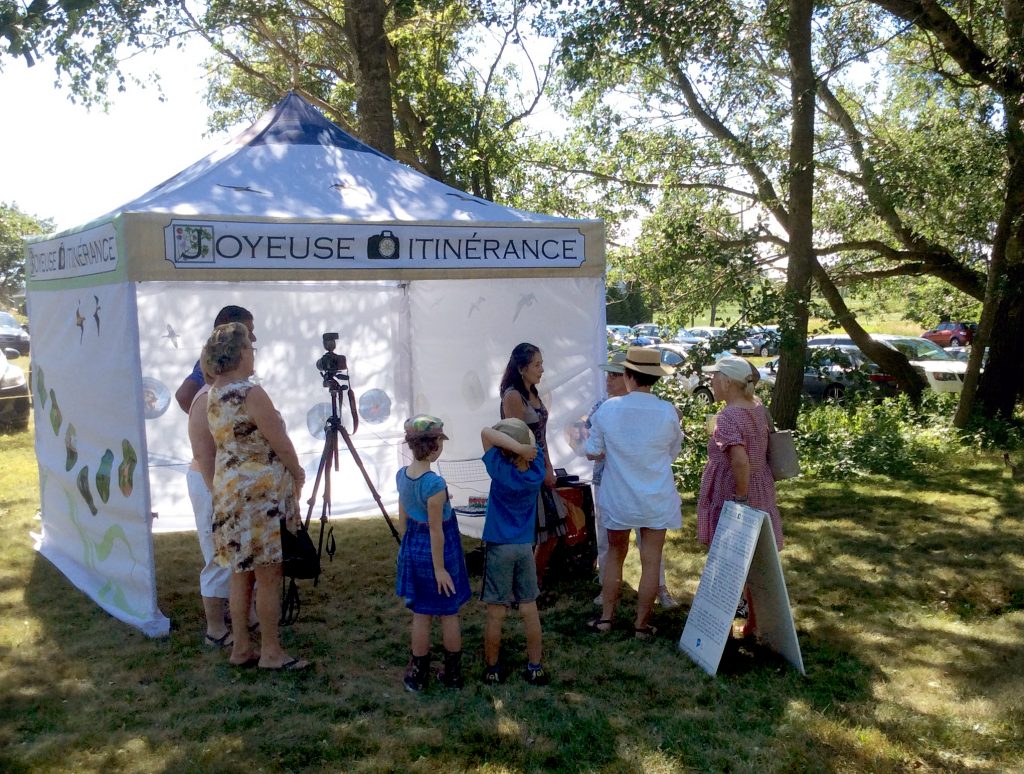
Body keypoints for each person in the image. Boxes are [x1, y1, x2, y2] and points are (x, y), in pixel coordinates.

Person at [202, 322, 309, 670]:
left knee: (240, 573)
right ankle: (272, 652)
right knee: (268, 576)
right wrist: (298, 473)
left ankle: (241, 648)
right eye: (250, 347)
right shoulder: (251, 393)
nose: (253, 354)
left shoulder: (214, 393)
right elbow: (280, 441)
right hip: (259, 496)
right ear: (241, 353)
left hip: (230, 492)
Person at [585, 347, 682, 640]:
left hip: (619, 496)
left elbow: (592, 451)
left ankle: (606, 618)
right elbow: (672, 452)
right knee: (651, 560)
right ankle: (641, 625)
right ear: (654, 378)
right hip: (656, 496)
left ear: (628, 375)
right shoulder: (668, 411)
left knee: (615, 555)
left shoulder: (608, 409)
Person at [184, 306, 257, 647]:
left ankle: (246, 614)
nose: (253, 344)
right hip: (212, 483)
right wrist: (220, 496)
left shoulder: (236, 390)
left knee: (243, 552)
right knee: (218, 554)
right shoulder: (206, 397)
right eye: (248, 340)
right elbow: (206, 456)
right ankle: (216, 628)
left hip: (231, 483)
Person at [697, 355, 782, 638]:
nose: (711, 382)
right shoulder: (757, 408)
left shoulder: (728, 416)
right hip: (761, 485)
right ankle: (754, 623)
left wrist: (740, 498)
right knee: (756, 558)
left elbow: (740, 459)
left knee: (729, 559)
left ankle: (720, 626)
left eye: (714, 377)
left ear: (726, 382)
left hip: (736, 489)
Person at [395, 414, 472, 693]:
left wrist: (406, 544)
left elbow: (403, 515)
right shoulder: (434, 485)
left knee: (421, 613)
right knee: (448, 613)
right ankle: (452, 675)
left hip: (414, 546)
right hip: (440, 552)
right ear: (435, 446)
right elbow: (436, 531)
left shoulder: (401, 476)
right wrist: (439, 569)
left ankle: (418, 676)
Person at [480, 418, 549, 686]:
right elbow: (532, 445)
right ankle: (535, 667)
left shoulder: (499, 469)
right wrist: (524, 449)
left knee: (496, 611)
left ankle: (493, 669)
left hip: (499, 547)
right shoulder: (536, 470)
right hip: (524, 548)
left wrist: (516, 448)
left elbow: (486, 432)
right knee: (529, 607)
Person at [499, 342, 566, 593]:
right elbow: (516, 440)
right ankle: (524, 587)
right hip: (523, 472)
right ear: (521, 368)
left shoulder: (533, 393)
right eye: (537, 365)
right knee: (530, 533)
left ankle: (532, 583)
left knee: (552, 529)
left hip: (538, 468)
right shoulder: (513, 396)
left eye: (541, 364)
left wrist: (549, 466)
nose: (542, 370)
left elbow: (542, 437)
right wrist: (531, 473)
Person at [176, 305, 255, 413]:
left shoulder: (233, 365)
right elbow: (184, 395)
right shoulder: (214, 362)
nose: (254, 338)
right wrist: (215, 421)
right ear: (231, 334)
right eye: (248, 331)